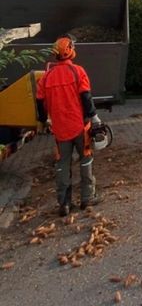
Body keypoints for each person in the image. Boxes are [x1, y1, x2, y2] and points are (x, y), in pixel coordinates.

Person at [36, 35, 102, 216]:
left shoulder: (47, 76)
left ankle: (64, 203)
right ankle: (88, 198)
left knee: (62, 165)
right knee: (86, 159)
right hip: (80, 126)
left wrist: (44, 121)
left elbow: (40, 102)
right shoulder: (78, 71)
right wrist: (94, 117)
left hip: (60, 129)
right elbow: (86, 97)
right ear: (71, 50)